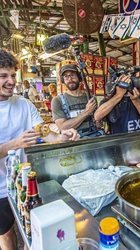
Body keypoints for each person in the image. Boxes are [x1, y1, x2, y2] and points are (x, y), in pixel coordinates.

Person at [0, 49, 79, 250]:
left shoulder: (25, 105)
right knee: (6, 234)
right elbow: (17, 143)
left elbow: (44, 133)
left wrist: (62, 136)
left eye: (12, 75)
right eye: (3, 76)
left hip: (27, 184)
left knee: (32, 230)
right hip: (0, 188)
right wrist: (14, 144)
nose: (11, 81)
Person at [51, 61, 98, 138]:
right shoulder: (57, 100)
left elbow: (97, 121)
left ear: (79, 78)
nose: (70, 79)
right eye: (66, 77)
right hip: (73, 141)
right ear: (63, 80)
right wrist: (86, 112)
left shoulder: (90, 97)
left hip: (93, 138)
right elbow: (63, 127)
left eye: (72, 75)